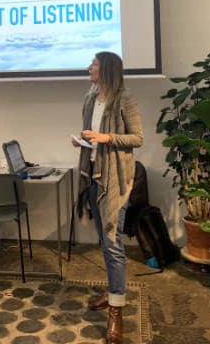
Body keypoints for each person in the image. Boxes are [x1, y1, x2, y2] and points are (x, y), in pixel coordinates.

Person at [72, 51, 144, 344]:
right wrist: (82, 139)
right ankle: (112, 291)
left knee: (113, 243)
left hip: (115, 180)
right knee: (104, 241)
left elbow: (137, 138)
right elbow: (92, 137)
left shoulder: (124, 99)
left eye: (94, 64)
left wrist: (106, 138)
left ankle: (116, 311)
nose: (89, 66)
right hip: (92, 175)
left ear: (107, 70)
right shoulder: (90, 97)